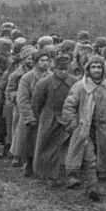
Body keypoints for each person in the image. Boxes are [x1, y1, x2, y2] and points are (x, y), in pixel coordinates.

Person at [61, 55, 106, 201]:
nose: (96, 70)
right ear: (88, 69)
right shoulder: (80, 86)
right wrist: (72, 123)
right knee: (90, 158)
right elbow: (69, 106)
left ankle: (96, 181)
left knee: (103, 158)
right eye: (93, 67)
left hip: (105, 130)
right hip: (85, 129)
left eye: (99, 67)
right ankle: (92, 188)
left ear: (103, 69)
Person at [32, 53, 79, 183]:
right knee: (46, 145)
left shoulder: (75, 82)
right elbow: (36, 102)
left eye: (65, 69)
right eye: (60, 69)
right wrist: (43, 116)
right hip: (49, 117)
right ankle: (46, 174)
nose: (63, 72)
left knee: (69, 146)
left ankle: (68, 174)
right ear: (55, 68)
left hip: (69, 117)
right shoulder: (44, 83)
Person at [13, 49, 53, 176]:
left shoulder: (52, 77)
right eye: (42, 60)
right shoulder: (27, 78)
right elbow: (22, 99)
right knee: (28, 141)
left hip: (46, 114)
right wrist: (29, 117)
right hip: (30, 113)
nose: (45, 63)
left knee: (44, 142)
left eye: (47, 60)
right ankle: (27, 164)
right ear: (36, 62)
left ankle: (43, 167)